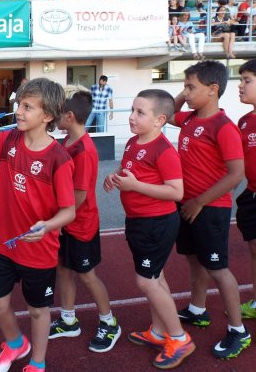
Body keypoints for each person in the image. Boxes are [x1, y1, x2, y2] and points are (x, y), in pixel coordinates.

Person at [0, 78, 75, 372]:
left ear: (47, 116)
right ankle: (15, 343)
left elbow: (69, 211)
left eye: (27, 106)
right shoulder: (9, 140)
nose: (18, 111)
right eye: (18, 105)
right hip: (3, 244)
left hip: (39, 252)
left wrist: (47, 226)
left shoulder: (58, 158)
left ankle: (37, 362)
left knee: (38, 310)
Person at [105, 89, 195, 369]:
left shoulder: (164, 150)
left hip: (156, 224)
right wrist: (116, 177)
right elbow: (129, 170)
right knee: (156, 277)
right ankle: (158, 332)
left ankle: (179, 339)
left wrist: (135, 186)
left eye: (140, 112)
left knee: (146, 282)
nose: (131, 117)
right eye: (132, 110)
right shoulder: (134, 142)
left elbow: (176, 191)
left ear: (160, 120)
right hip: (139, 222)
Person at [170, 60, 250, 360]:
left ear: (213, 90)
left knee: (218, 269)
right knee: (195, 261)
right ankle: (197, 309)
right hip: (188, 205)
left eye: (192, 87)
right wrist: (186, 89)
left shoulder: (223, 127)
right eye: (186, 86)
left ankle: (238, 330)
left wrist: (200, 201)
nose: (186, 93)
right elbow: (168, 110)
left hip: (209, 208)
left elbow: (235, 174)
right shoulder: (189, 120)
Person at [49, 86, 121, 353]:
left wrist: (57, 220)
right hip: (66, 223)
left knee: (87, 275)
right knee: (64, 270)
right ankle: (68, 320)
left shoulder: (85, 150)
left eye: (57, 114)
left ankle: (109, 322)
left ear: (69, 116)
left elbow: (79, 196)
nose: (54, 118)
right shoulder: (66, 143)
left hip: (80, 225)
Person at [237, 59, 256, 320]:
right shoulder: (243, 122)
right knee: (253, 249)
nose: (240, 86)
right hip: (250, 195)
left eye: (247, 80)